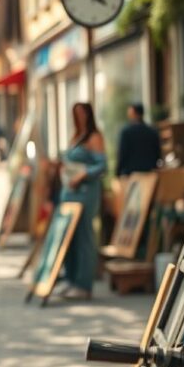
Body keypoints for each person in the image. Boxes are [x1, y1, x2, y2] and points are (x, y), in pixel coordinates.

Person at [58, 102, 107, 301]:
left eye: (82, 113)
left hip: (85, 192)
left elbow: (102, 165)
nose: (79, 116)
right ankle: (70, 278)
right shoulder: (76, 136)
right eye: (75, 113)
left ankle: (83, 284)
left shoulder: (94, 137)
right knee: (70, 238)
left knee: (85, 237)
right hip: (70, 193)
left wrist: (82, 175)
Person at [116, 102, 161, 177]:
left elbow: (122, 155)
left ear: (134, 113)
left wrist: (118, 173)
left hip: (131, 174)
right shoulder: (152, 131)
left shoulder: (126, 132)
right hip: (149, 173)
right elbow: (157, 154)